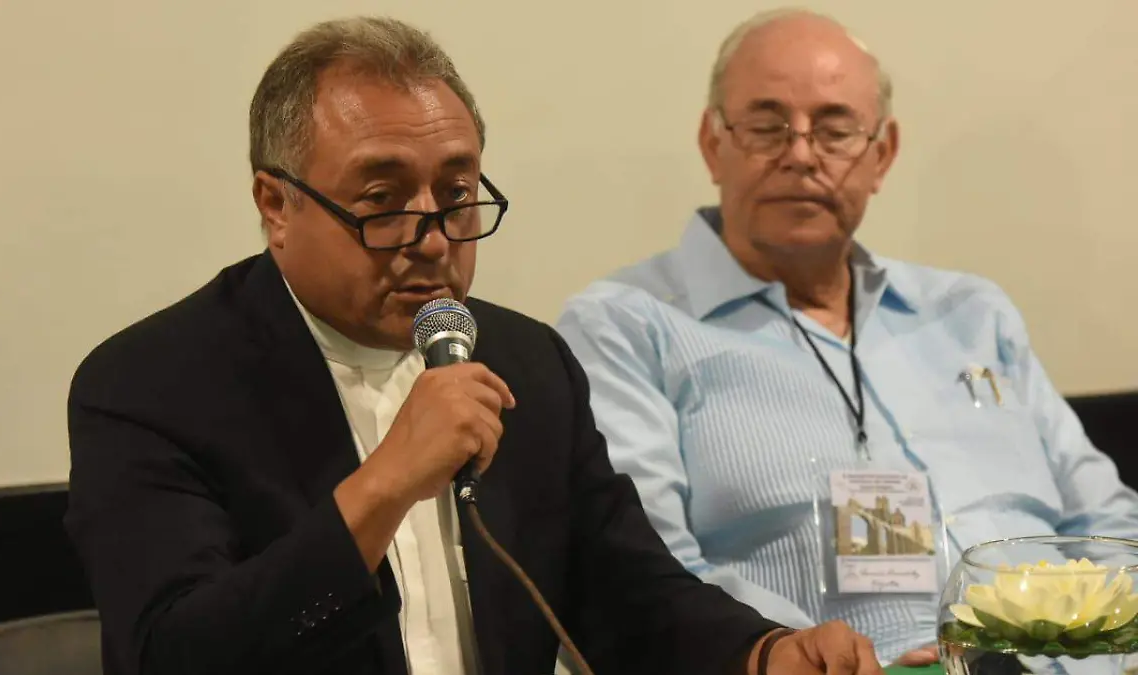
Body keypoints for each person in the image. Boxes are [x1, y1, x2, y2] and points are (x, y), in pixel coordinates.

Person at [64, 15, 884, 675]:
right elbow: (172, 652)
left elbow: (625, 593)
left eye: (457, 195)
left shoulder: (526, 362)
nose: (432, 239)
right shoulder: (152, 385)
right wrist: (385, 483)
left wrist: (763, 651)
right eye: (383, 199)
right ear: (276, 204)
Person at [555, 7, 1138, 667]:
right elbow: (642, 583)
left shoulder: (972, 313)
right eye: (767, 127)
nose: (801, 155)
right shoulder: (627, 326)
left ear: (881, 155)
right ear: (712, 143)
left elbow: (1110, 527)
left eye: (835, 131)